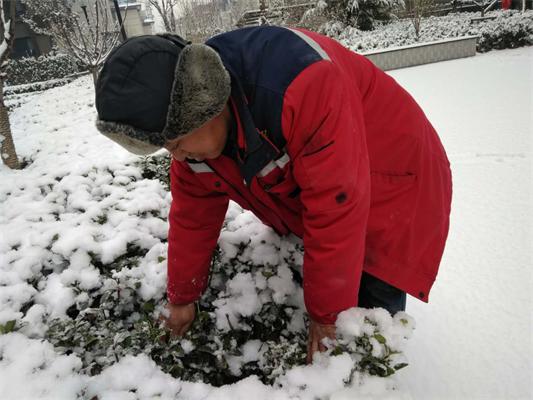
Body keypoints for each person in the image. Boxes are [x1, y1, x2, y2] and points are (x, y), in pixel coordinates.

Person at [95, 26, 452, 363]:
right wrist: (182, 299)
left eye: (175, 143)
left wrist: (328, 317)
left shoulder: (299, 85)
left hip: (393, 174)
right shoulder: (193, 138)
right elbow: (192, 220)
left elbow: (335, 207)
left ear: (204, 106)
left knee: (364, 319)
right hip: (336, 181)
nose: (177, 157)